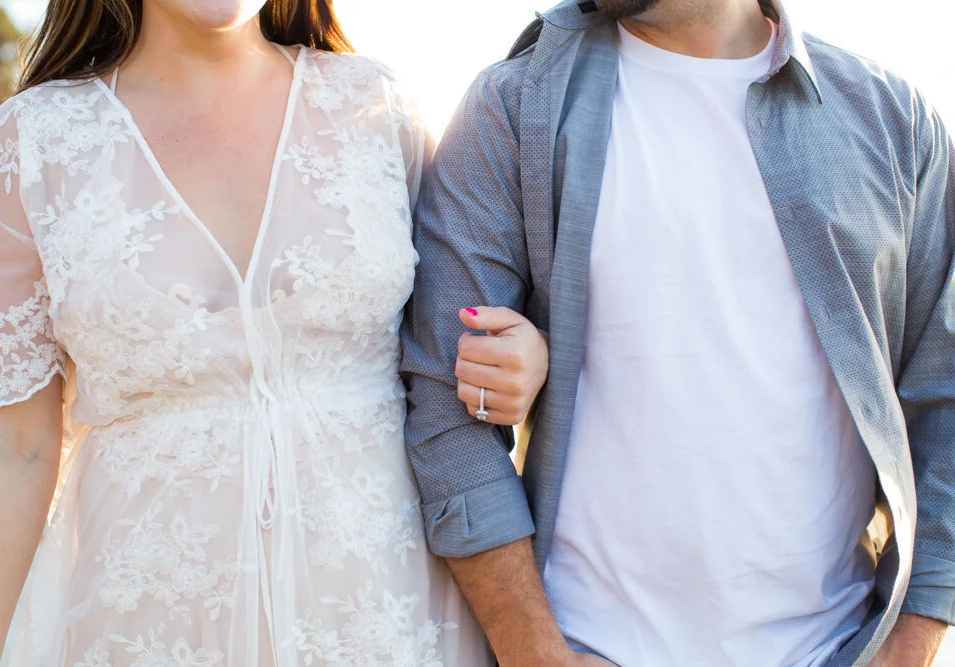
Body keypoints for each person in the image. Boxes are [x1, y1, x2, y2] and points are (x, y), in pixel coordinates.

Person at [0, 0, 553, 664]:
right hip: (146, 626)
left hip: (387, 611)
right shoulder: (32, 144)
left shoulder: (377, 107)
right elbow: (11, 445)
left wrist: (525, 356)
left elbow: (447, 340)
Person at [402, 0, 955, 665]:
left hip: (834, 648)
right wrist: (537, 653)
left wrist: (909, 646)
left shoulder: (893, 120)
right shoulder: (515, 106)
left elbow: (946, 403)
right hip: (588, 644)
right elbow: (445, 408)